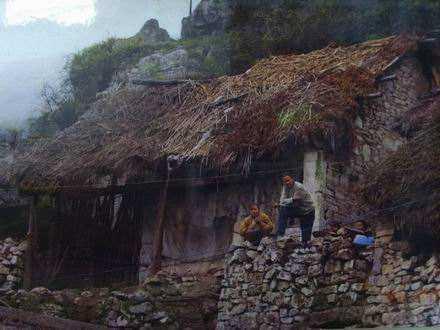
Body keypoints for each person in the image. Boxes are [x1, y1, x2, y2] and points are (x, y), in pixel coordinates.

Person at [276, 175, 315, 244]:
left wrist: (285, 201)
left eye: (288, 180)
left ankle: (305, 246)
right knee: (283, 210)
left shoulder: (299, 187)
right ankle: (280, 234)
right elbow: (282, 200)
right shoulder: (285, 188)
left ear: (292, 180)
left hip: (308, 211)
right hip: (299, 209)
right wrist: (284, 202)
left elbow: (296, 201)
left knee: (306, 235)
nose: (287, 183)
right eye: (285, 182)